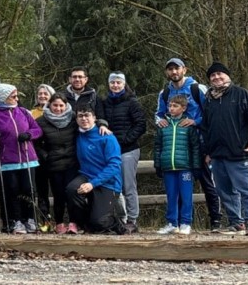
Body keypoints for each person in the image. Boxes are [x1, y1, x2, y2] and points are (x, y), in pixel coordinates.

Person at [155, 57, 222, 231]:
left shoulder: (196, 88)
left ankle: (215, 220)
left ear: (184, 69)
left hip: (200, 143)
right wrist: (160, 121)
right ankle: (174, 222)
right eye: (170, 69)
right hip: (178, 145)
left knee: (207, 183)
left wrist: (195, 122)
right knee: (175, 187)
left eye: (177, 68)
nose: (174, 72)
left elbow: (211, 112)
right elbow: (159, 114)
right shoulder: (165, 92)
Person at [200, 61, 248, 236]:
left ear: (227, 76)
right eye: (212, 75)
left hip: (240, 152)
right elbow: (205, 128)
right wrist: (207, 152)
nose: (216, 77)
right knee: (225, 191)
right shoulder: (208, 100)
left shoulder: (241, 94)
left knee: (247, 189)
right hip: (217, 155)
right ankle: (236, 223)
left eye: (220, 74)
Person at [0, 83, 42, 234]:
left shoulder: (23, 111)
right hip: (8, 160)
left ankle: (30, 218)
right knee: (12, 191)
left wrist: (29, 135)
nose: (16, 98)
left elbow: (37, 129)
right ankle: (15, 220)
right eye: (13, 96)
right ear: (4, 97)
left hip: (28, 157)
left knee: (28, 190)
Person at [95, 71, 147, 234]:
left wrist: (124, 140)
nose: (115, 85)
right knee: (112, 185)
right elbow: (100, 121)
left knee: (128, 185)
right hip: (110, 151)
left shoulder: (132, 102)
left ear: (124, 84)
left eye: (119, 82)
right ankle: (118, 218)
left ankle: (132, 219)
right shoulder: (104, 102)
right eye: (113, 83)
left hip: (128, 150)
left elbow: (141, 124)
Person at [67, 105, 125, 234]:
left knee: (100, 222)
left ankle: (120, 224)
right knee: (72, 189)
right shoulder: (77, 134)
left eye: (87, 115)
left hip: (108, 181)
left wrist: (93, 184)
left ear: (94, 118)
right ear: (76, 120)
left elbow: (114, 165)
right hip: (86, 175)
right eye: (80, 116)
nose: (84, 119)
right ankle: (87, 223)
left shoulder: (107, 137)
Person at [154, 94, 199, 235]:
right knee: (171, 196)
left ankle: (185, 223)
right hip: (168, 166)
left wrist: (196, 166)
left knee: (186, 196)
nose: (171, 108)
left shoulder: (188, 126)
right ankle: (172, 223)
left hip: (185, 167)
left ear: (183, 108)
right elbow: (157, 146)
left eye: (175, 106)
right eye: (170, 106)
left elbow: (195, 147)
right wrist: (158, 164)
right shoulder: (163, 125)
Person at [35, 93, 78, 234]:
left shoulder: (73, 118)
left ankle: (73, 222)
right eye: (55, 105)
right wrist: (46, 155)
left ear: (66, 106)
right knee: (58, 195)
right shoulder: (41, 121)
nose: (58, 108)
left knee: (71, 193)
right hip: (53, 163)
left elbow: (89, 123)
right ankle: (59, 222)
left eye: (61, 105)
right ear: (50, 105)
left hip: (72, 162)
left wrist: (103, 124)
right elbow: (35, 143)